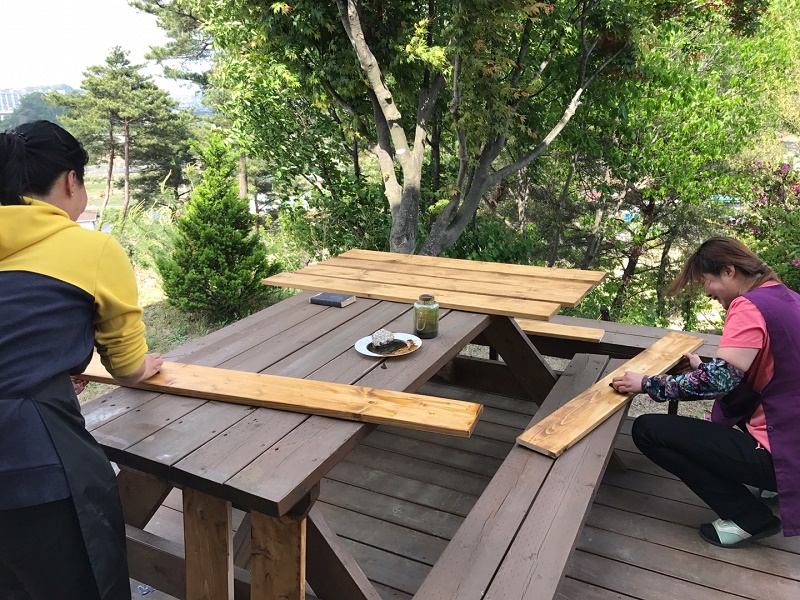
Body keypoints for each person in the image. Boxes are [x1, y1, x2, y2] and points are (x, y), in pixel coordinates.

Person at [0, 121, 163, 599]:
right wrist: (145, 367)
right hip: (34, 469)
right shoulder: (91, 249)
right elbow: (127, 367)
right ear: (71, 181)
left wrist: (44, 374)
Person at [611, 236, 800, 548]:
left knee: (648, 430)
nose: (708, 293)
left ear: (728, 271)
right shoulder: (787, 298)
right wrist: (707, 367)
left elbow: (719, 382)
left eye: (706, 282)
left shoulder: (747, 306)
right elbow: (767, 370)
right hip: (792, 444)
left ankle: (748, 517)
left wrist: (647, 384)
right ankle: (775, 486)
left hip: (781, 454)